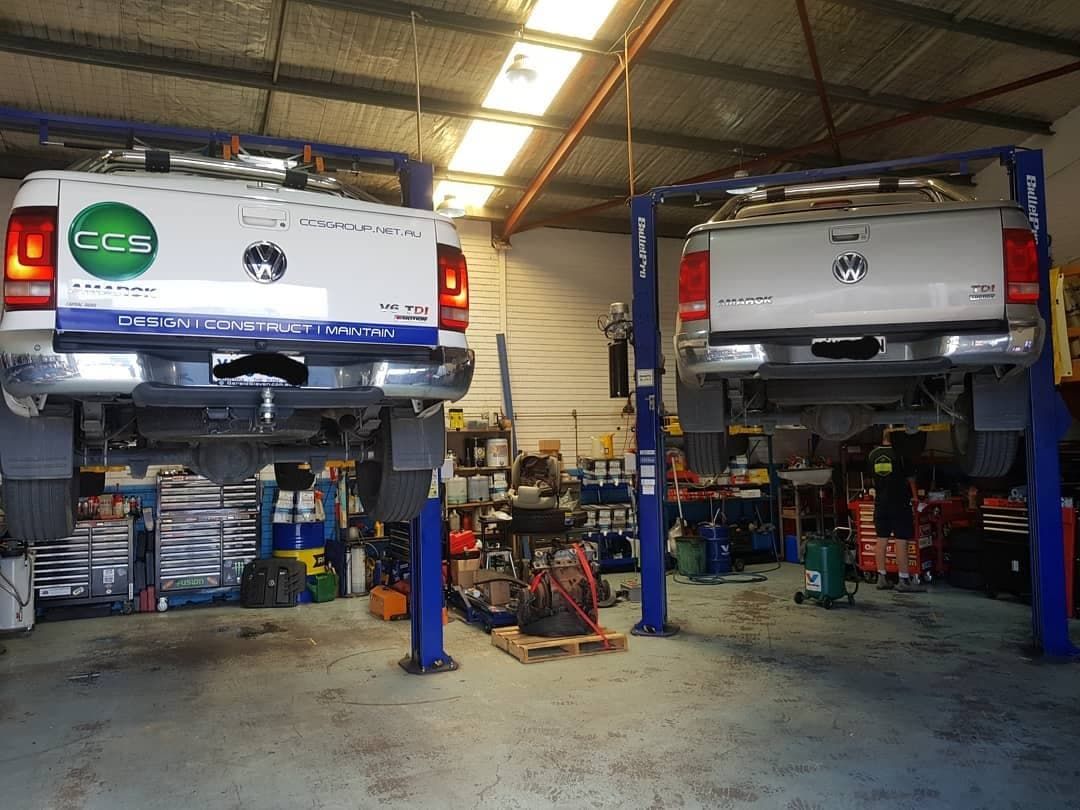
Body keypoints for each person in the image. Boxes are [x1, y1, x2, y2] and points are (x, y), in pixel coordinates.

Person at [868, 433, 923, 593]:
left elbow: (872, 479)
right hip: (899, 503)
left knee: (881, 540)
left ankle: (881, 578)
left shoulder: (872, 455)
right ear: (896, 438)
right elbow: (911, 479)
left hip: (880, 503)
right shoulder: (901, 454)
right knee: (901, 541)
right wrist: (915, 497)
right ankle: (903, 580)